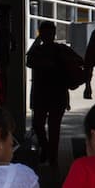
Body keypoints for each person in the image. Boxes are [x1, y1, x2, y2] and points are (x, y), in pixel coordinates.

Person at [25, 21, 71, 167]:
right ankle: (49, 152)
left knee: (48, 126)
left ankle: (51, 155)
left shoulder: (56, 50)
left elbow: (29, 61)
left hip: (48, 93)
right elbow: (29, 61)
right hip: (50, 94)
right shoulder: (45, 50)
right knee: (45, 126)